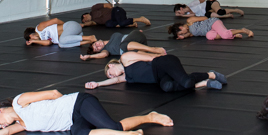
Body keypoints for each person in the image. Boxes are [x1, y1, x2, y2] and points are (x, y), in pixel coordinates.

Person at [0, 90, 173, 135]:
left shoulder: (19, 102)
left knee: (113, 125)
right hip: (74, 120)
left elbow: (53, 93)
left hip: (79, 103)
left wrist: (65, 105)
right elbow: (6, 133)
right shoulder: (21, 125)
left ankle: (149, 117)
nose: (2, 126)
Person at [85, 51, 227, 92]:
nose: (113, 76)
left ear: (111, 66)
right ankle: (204, 83)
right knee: (167, 87)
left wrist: (165, 60)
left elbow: (150, 58)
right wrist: (97, 84)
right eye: (110, 76)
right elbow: (115, 81)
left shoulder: (125, 58)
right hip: (160, 77)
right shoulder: (126, 77)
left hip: (163, 63)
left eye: (110, 73)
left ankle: (211, 74)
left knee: (187, 81)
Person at [80, 29, 166, 60]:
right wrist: (90, 56)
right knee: (131, 53)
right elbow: (104, 54)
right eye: (97, 49)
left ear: (98, 40)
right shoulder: (106, 49)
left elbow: (127, 36)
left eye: (95, 44)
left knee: (123, 45)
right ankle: (158, 55)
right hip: (134, 48)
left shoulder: (112, 37)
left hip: (136, 38)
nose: (97, 46)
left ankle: (154, 49)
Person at [24, 17, 96, 49]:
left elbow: (56, 20)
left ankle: (90, 37)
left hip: (72, 26)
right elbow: (49, 43)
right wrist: (34, 41)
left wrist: (67, 27)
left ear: (31, 35)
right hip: (74, 35)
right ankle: (88, 41)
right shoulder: (41, 40)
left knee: (62, 40)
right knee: (61, 45)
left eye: (32, 40)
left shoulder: (39, 28)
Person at [168, 19, 254, 41]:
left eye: (181, 33)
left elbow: (204, 18)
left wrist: (204, 23)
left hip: (213, 23)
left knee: (224, 35)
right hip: (211, 30)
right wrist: (182, 37)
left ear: (181, 28)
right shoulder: (190, 32)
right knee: (209, 36)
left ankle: (242, 30)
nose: (183, 34)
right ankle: (232, 33)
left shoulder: (190, 22)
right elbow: (191, 34)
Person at [80, 3, 150, 30]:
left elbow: (108, 5)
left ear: (84, 15)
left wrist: (111, 11)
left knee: (120, 23)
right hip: (113, 20)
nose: (87, 21)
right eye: (85, 22)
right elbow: (91, 23)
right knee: (108, 24)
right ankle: (130, 24)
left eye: (85, 20)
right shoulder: (94, 21)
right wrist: (84, 25)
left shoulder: (94, 8)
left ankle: (140, 19)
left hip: (116, 11)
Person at [173, 0, 243, 19]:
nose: (180, 14)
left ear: (181, 8)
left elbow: (202, 0)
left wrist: (204, 4)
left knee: (220, 12)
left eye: (179, 12)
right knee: (210, 16)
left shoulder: (191, 4)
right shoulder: (188, 14)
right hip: (206, 12)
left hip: (209, 4)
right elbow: (192, 15)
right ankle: (228, 15)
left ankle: (235, 10)